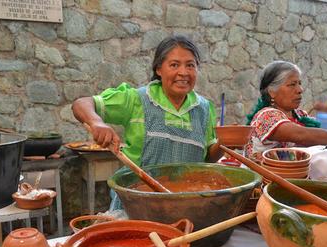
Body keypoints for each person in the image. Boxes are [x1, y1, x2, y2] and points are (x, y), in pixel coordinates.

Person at [72, 35, 223, 208]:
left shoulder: (203, 109)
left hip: (187, 204)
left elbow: (207, 159)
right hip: (137, 204)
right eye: (174, 65)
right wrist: (96, 122)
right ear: (159, 69)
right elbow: (81, 104)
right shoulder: (138, 99)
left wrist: (225, 143)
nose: (183, 72)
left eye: (190, 65)